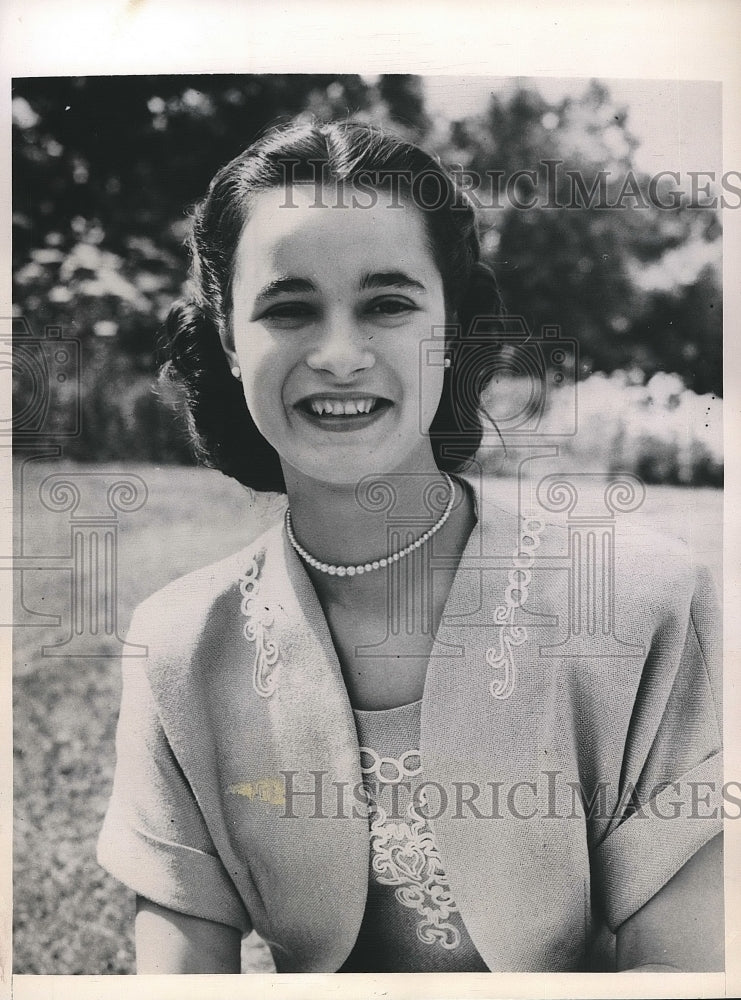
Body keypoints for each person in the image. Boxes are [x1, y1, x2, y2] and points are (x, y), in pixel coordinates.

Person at [97, 119, 723, 974]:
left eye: (388, 304)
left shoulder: (644, 601)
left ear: (453, 330)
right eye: (288, 309)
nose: (340, 354)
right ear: (229, 340)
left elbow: (681, 971)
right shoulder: (177, 647)